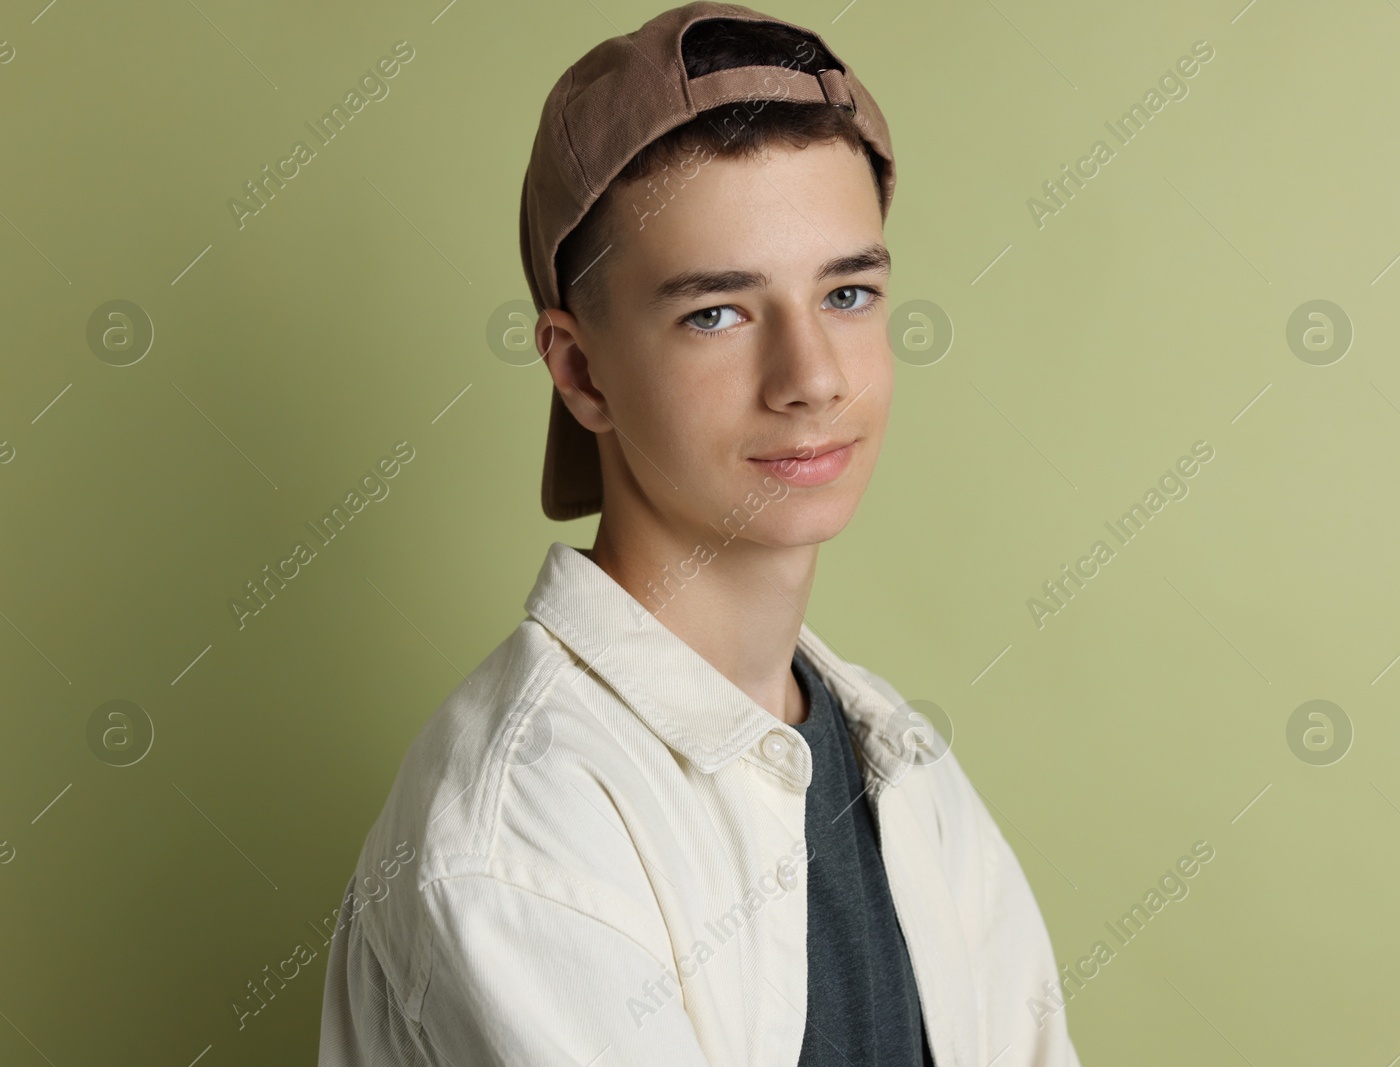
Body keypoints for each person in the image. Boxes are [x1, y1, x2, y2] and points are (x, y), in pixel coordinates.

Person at [318, 4, 1082, 1064]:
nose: (811, 376)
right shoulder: (526, 828)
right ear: (581, 371)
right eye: (716, 312)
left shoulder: (903, 768)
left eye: (848, 292)